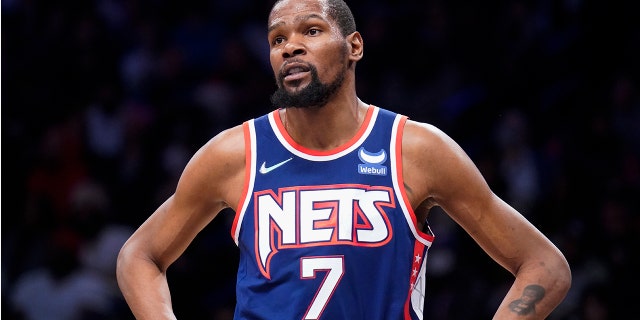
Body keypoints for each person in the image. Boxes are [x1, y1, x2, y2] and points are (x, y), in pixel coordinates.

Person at [116, 0, 572, 319]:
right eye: (277, 39)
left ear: (354, 46)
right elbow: (140, 255)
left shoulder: (415, 149)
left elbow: (545, 266)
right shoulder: (234, 154)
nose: (289, 47)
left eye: (310, 31)